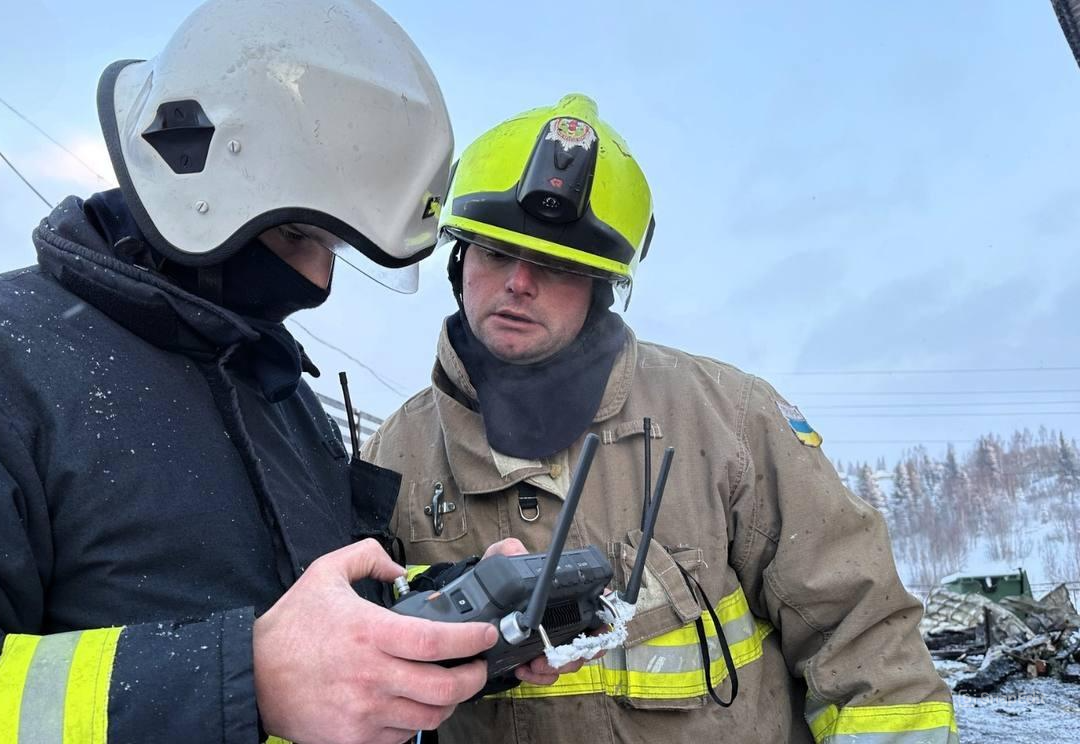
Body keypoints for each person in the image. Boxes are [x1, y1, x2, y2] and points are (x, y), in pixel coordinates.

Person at [0, 2, 573, 742]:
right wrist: (246, 680)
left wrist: (449, 619)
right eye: (305, 236)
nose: (320, 284)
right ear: (199, 174)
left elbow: (313, 624)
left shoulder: (278, 399)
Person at [363, 93, 958, 743]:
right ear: (459, 259)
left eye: (558, 265)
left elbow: (866, 643)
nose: (518, 284)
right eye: (497, 252)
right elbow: (350, 676)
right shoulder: (397, 457)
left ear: (600, 287)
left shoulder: (731, 420)